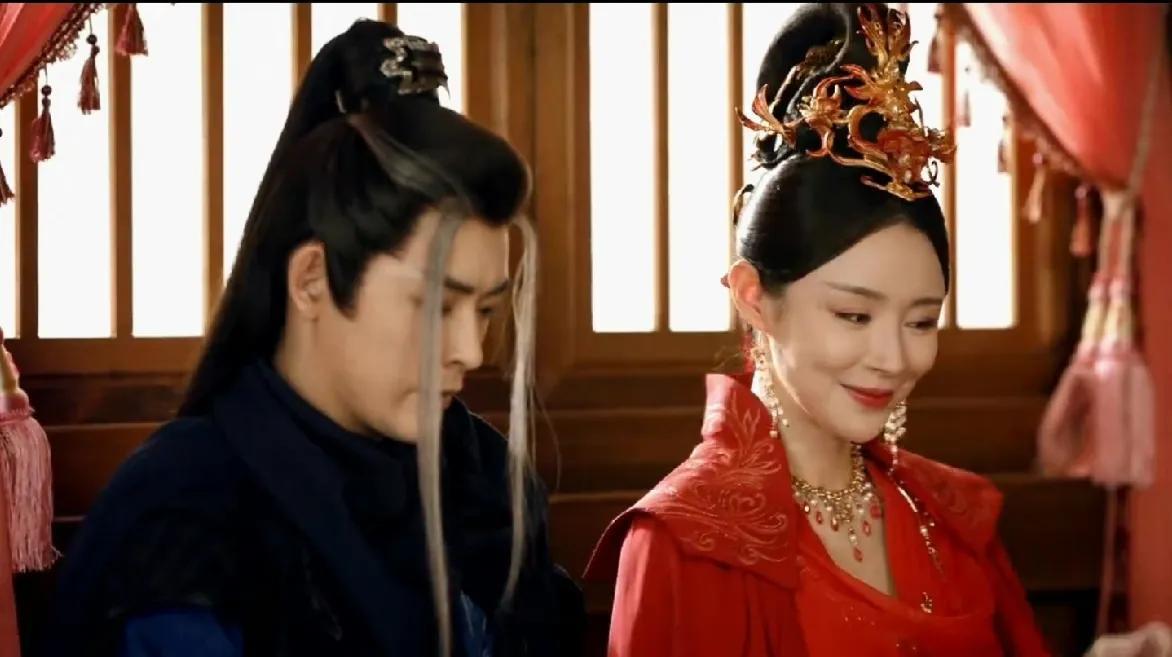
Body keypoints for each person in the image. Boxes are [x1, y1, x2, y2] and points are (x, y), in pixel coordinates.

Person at [43, 19, 583, 657]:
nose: (471, 350)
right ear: (311, 279)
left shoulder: (485, 480)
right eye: (436, 306)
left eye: (487, 310)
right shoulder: (182, 516)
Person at [585, 4, 1051, 656]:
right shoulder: (685, 540)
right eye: (854, 315)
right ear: (754, 298)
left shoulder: (956, 517)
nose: (893, 356)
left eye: (921, 320)